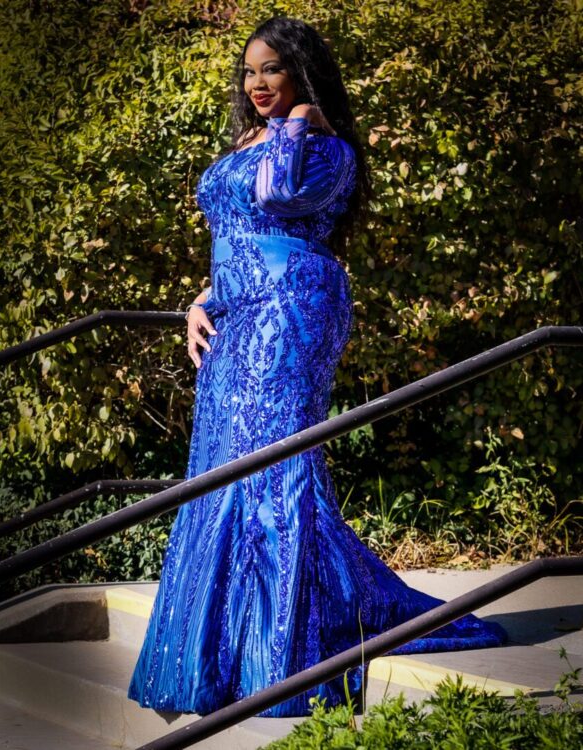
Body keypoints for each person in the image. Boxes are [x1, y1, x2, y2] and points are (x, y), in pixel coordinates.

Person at [128, 16, 507, 718]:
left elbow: (275, 197)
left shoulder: (325, 148)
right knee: (225, 465)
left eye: (272, 69)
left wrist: (299, 120)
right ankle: (221, 654)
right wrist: (200, 298)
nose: (257, 84)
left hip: (294, 310)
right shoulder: (252, 139)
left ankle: (282, 652)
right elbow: (233, 225)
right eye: (249, 72)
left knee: (276, 461)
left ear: (301, 71)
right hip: (237, 315)